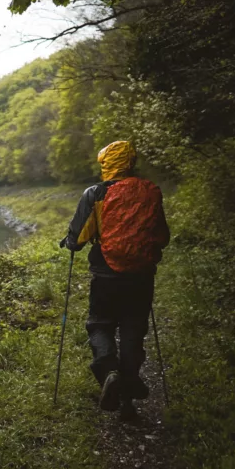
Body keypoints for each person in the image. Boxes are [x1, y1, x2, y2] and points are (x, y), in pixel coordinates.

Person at [60, 140, 170, 420]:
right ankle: (129, 394)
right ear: (131, 162)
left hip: (106, 273)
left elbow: (79, 236)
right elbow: (162, 236)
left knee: (100, 324)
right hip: (141, 275)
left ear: (106, 163)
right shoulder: (150, 192)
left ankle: (110, 370)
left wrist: (70, 243)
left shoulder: (95, 193)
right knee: (133, 328)